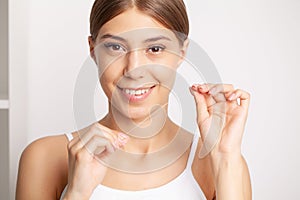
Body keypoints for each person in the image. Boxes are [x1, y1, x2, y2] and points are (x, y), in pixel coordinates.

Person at [16, 0, 252, 199]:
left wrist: (225, 161)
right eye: (115, 47)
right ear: (93, 49)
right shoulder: (45, 158)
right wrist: (76, 193)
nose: (134, 69)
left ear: (181, 52)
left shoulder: (220, 161)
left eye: (155, 49)